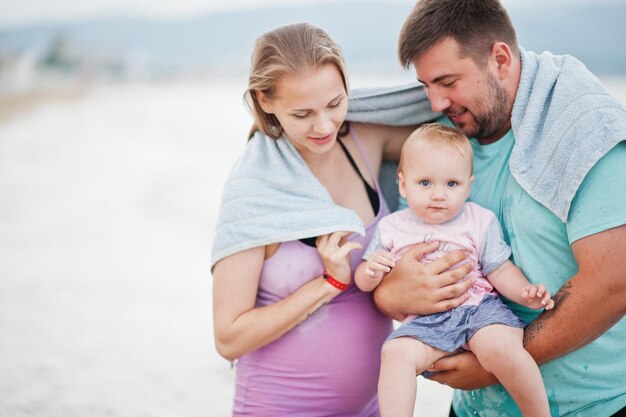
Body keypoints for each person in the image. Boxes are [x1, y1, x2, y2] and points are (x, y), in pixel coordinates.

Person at [370, 0, 626, 416]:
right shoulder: (443, 149)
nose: (435, 103)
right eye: (426, 86)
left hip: (592, 406)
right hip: (472, 408)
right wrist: (388, 292)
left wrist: (492, 364)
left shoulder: (586, 131)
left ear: (500, 60)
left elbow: (614, 283)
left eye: (447, 81)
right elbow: (396, 266)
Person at [211, 22, 434, 416]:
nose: (325, 126)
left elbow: (453, 141)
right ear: (265, 101)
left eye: (335, 103)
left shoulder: (364, 139)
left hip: (373, 405)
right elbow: (229, 337)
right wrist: (327, 284)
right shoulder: (252, 189)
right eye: (303, 113)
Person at [355, 124, 553, 417]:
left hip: (479, 310)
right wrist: (371, 271)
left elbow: (499, 270)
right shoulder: (392, 227)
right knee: (395, 353)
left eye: (451, 184)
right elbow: (363, 281)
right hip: (425, 322)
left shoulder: (478, 220)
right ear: (402, 184)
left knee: (502, 349)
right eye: (425, 183)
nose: (438, 195)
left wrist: (526, 294)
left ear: (468, 186)